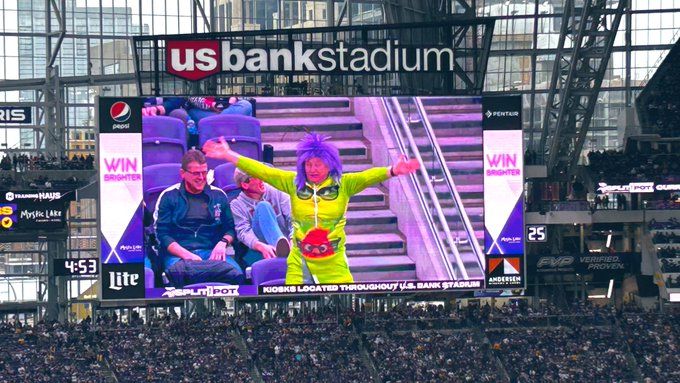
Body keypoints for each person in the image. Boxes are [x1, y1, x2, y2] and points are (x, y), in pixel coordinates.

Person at [203, 133, 419, 284]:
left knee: (344, 309)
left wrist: (393, 170)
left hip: (333, 259)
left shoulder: (344, 184)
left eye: (318, 164)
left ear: (330, 164)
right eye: (308, 164)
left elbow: (368, 175)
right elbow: (263, 171)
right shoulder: (292, 182)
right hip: (300, 259)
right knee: (294, 311)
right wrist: (228, 155)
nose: (312, 169)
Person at [154, 150, 243, 286]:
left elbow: (230, 229)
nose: (201, 177)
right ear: (183, 174)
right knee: (177, 275)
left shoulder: (219, 195)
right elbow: (163, 235)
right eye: (196, 173)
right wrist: (187, 255)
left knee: (236, 274)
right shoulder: (168, 196)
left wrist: (223, 242)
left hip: (212, 254)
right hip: (179, 255)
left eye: (204, 172)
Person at [230, 168, 292, 270]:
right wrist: (261, 247)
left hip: (289, 245)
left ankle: (282, 249)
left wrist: (293, 239)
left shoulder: (277, 191)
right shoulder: (236, 205)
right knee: (263, 206)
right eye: (257, 177)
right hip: (258, 251)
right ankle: (280, 249)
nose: (262, 179)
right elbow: (243, 232)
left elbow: (293, 219)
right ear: (245, 185)